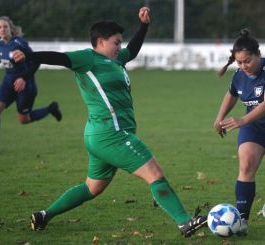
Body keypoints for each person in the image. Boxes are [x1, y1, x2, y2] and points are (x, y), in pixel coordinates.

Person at [13, 7, 207, 237]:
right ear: (100, 42)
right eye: (116, 42)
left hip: (99, 135)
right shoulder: (87, 58)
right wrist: (29, 55)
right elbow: (59, 58)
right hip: (111, 134)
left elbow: (132, 50)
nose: (119, 47)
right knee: (154, 173)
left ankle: (44, 215)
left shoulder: (115, 61)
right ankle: (185, 222)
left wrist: (144, 25)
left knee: (92, 188)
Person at [214, 28, 265, 235]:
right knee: (245, 165)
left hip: (249, 121)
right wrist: (219, 118)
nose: (244, 66)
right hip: (255, 127)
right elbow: (232, 94)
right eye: (240, 62)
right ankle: (241, 220)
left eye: (248, 61)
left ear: (258, 55)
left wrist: (242, 119)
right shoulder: (239, 75)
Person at [0, 16, 62, 152]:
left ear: (10, 28)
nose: (2, 29)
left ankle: (50, 109)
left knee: (24, 120)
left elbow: (36, 61)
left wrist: (23, 78)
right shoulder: (0, 44)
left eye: (5, 26)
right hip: (8, 82)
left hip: (25, 85)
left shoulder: (19, 43)